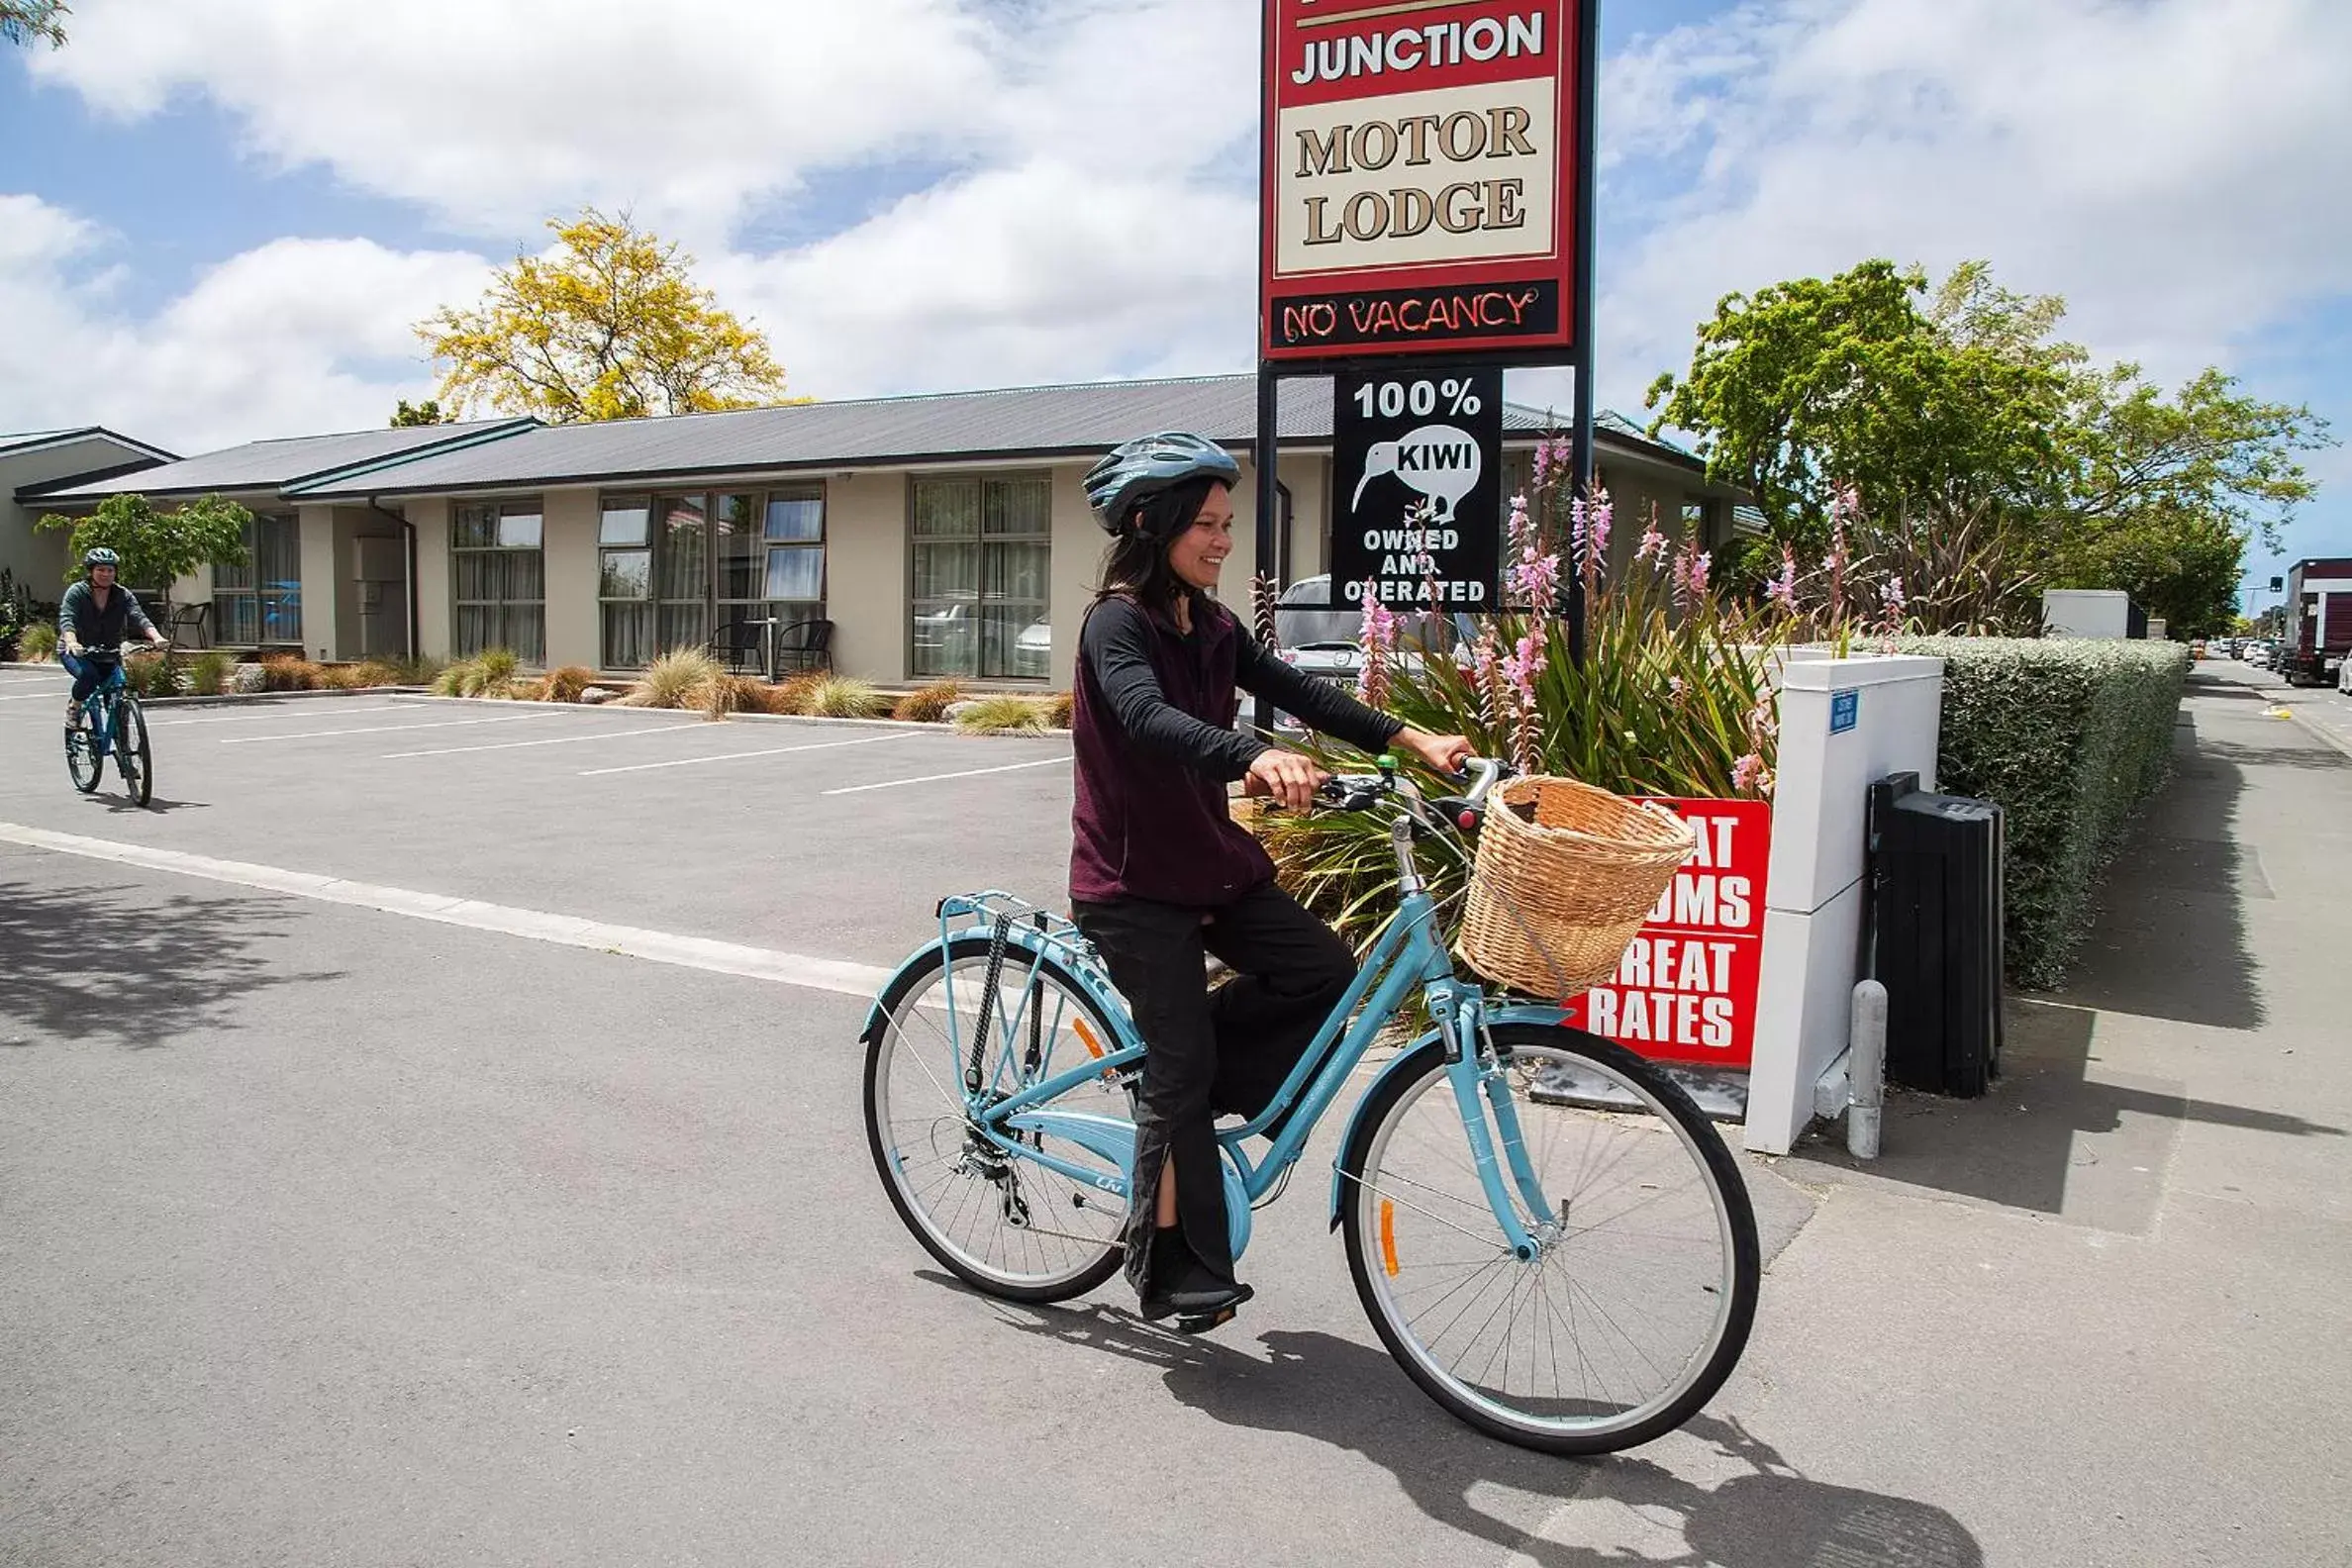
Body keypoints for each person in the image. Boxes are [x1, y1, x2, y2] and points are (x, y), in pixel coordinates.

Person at [1070, 431, 1472, 1329]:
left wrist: (1412, 740)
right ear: (1151, 522)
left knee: (1325, 978)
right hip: (1132, 887)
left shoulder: (1209, 625)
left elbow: (1302, 690)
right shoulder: (1116, 625)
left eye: (1226, 523)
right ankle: (1177, 1267)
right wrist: (1253, 756)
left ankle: (1185, 1086)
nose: (1222, 540)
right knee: (1181, 1064)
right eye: (1206, 525)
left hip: (1210, 866)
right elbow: (1145, 716)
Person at [58, 547, 166, 726]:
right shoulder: (77, 592)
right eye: (100, 569)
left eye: (110, 570)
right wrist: (71, 640)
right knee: (89, 676)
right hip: (78, 651)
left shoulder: (122, 594)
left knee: (118, 687)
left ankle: (120, 738)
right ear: (91, 571)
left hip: (109, 651)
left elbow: (139, 617)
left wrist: (157, 637)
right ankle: (75, 707)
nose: (106, 574)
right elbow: (67, 618)